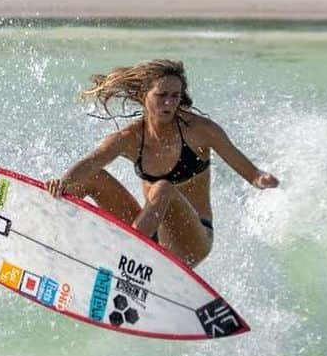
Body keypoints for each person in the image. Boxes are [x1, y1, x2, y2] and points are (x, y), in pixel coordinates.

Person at [46, 59, 278, 267]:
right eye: (161, 95)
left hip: (191, 242)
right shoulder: (129, 138)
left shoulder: (200, 131)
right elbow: (91, 163)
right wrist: (62, 184)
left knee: (163, 187)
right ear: (143, 95)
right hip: (148, 234)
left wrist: (261, 179)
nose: (169, 102)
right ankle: (50, 236)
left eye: (175, 96)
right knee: (92, 177)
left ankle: (127, 257)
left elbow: (249, 171)